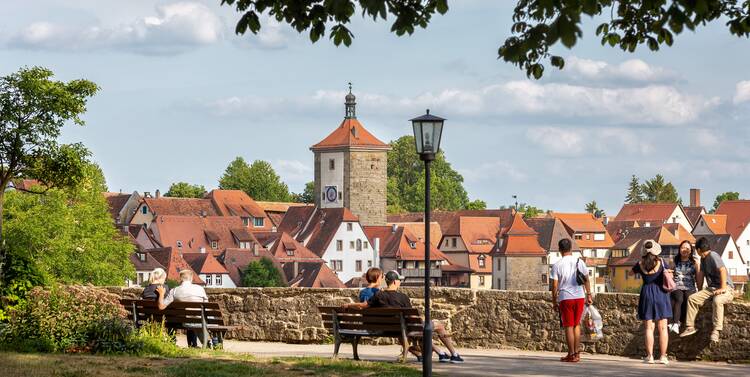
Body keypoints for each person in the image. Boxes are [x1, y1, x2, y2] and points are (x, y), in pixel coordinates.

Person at [343, 270, 464, 363]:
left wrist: (349, 304)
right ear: (395, 282)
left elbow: (364, 305)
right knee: (438, 325)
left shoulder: (379, 295)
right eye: (399, 280)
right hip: (405, 328)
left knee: (422, 328)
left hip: (387, 328)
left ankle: (440, 353)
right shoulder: (403, 297)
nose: (400, 282)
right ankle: (454, 354)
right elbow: (412, 319)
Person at [680, 236, 734, 343]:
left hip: (726, 287)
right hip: (711, 288)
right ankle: (690, 326)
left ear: (699, 250)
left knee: (717, 301)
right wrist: (699, 290)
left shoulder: (713, 255)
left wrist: (723, 288)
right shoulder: (703, 259)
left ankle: (716, 331)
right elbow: (701, 275)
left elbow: (722, 270)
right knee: (692, 299)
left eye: (696, 250)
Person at [550, 238, 592, 363]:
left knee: (568, 326)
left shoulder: (557, 265)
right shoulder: (579, 262)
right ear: (571, 248)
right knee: (576, 325)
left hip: (565, 297)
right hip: (579, 296)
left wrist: (554, 301)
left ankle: (571, 353)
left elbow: (554, 286)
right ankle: (577, 353)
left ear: (560, 250)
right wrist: (589, 294)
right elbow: (586, 279)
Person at [633, 240, 671, 365]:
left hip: (646, 294)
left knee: (649, 328)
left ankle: (650, 356)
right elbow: (670, 272)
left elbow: (631, 273)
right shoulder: (661, 263)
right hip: (661, 294)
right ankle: (663, 356)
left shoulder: (640, 264)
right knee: (663, 327)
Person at [156, 269, 209, 348]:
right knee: (199, 319)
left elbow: (161, 306)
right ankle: (210, 343)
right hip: (200, 320)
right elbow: (206, 307)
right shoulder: (200, 289)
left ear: (180, 279)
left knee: (189, 319)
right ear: (191, 278)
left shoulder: (174, 291)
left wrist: (161, 294)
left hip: (184, 321)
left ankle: (199, 344)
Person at [668, 240, 699, 334]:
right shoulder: (674, 261)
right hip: (677, 285)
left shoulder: (694, 262)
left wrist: (700, 288)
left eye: (687, 248)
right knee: (679, 298)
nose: (684, 250)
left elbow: (698, 276)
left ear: (691, 250)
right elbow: (670, 275)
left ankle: (679, 322)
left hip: (689, 286)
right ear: (679, 249)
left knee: (688, 298)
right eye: (682, 247)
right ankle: (676, 323)